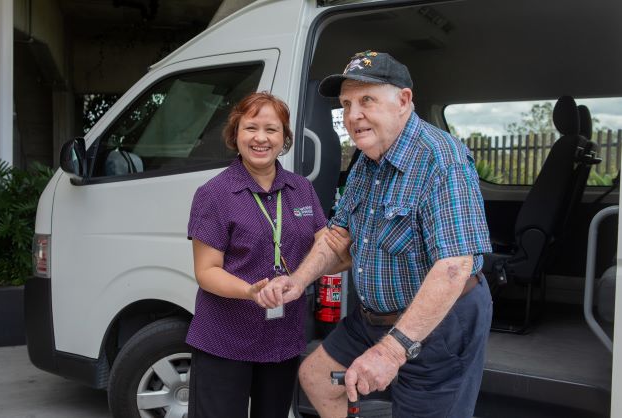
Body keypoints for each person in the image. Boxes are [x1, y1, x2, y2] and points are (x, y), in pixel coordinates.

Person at [256, 51, 493, 418]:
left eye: (366, 100)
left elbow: (454, 266)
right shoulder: (367, 160)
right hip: (373, 318)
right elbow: (339, 238)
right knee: (318, 378)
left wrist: (390, 351)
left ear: (403, 101)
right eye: (346, 104)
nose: (352, 116)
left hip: (442, 323)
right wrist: (296, 280)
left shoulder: (441, 159)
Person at [186, 92, 347, 418]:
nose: (261, 138)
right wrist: (250, 291)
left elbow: (325, 248)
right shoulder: (215, 194)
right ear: (236, 134)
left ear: (284, 138)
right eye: (251, 128)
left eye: (272, 130)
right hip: (224, 340)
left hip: (281, 339)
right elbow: (206, 271)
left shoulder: (301, 189)